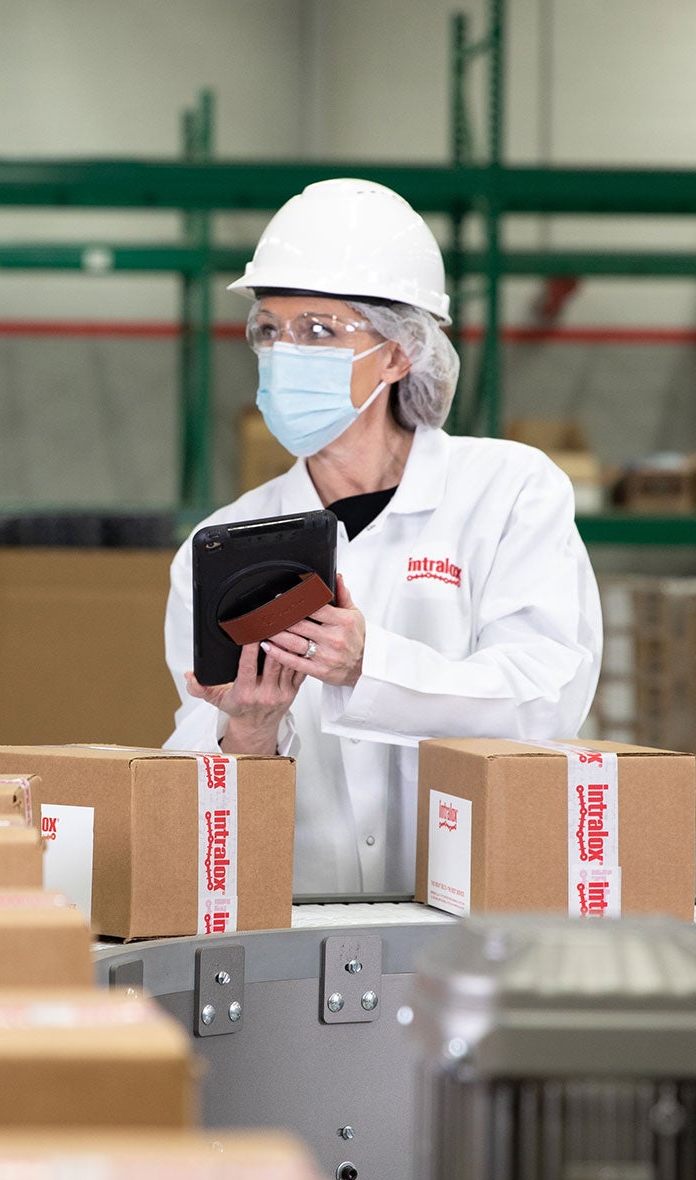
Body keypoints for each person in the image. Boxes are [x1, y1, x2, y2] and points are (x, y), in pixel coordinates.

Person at [164, 178, 603, 897]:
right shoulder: (222, 540)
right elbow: (194, 748)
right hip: (302, 915)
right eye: (269, 329)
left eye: (318, 330)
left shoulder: (508, 490)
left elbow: (545, 696)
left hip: (474, 912)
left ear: (401, 353)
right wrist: (245, 733)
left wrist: (371, 666)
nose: (283, 353)